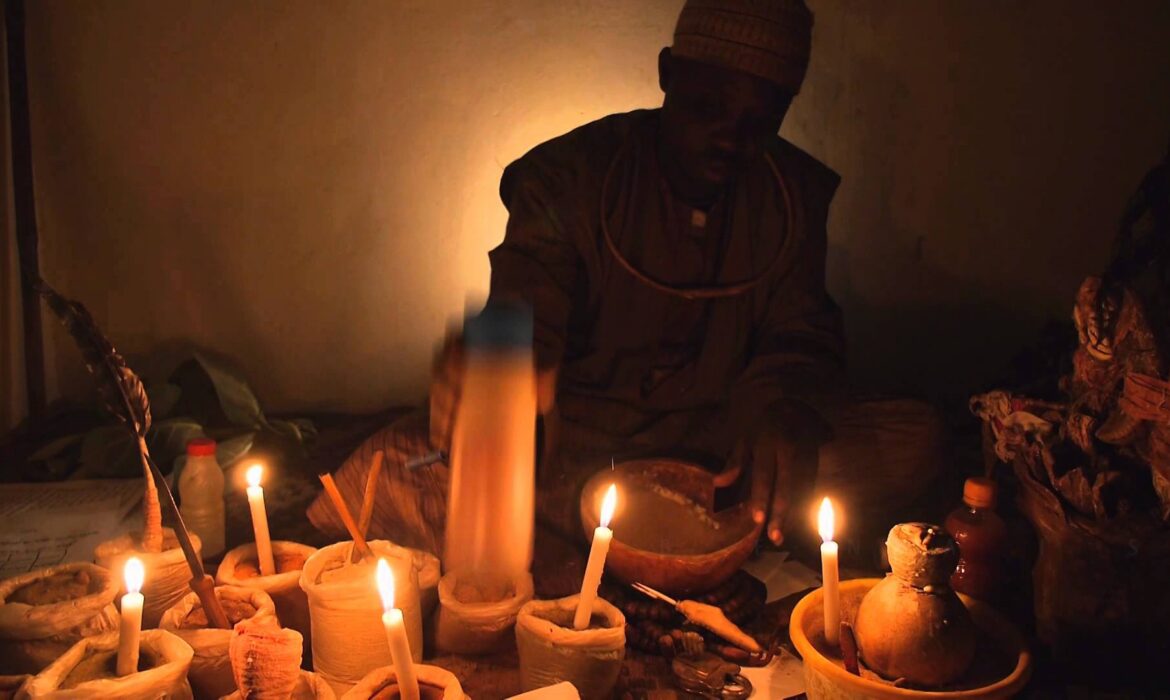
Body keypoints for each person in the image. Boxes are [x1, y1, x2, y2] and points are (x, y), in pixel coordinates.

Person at [308, 0, 942, 557]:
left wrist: (785, 412)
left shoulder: (793, 196)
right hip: (580, 453)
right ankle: (645, 541)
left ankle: (638, 540)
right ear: (668, 73)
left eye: (759, 119)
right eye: (709, 105)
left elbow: (800, 337)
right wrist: (497, 365)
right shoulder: (568, 176)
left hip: (718, 460)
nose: (730, 136)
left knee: (914, 438)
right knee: (383, 472)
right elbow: (523, 300)